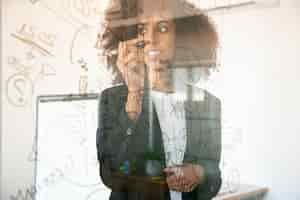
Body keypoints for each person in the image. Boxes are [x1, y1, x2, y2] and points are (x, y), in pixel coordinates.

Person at [96, 0, 222, 199]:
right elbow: (112, 177)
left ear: (181, 36)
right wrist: (134, 94)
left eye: (162, 28)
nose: (151, 39)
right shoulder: (112, 100)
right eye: (141, 29)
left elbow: (214, 179)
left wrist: (199, 173)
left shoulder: (208, 104)